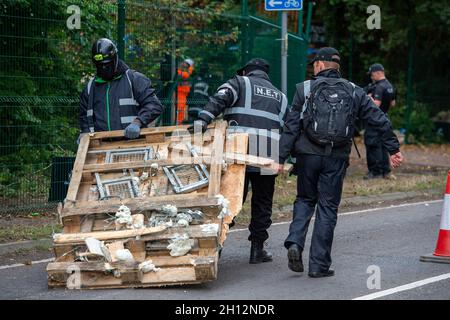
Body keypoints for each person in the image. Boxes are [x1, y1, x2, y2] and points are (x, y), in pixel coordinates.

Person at [277, 47, 403, 277]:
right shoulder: (354, 90)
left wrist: (279, 158)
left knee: (305, 199)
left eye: (314, 64)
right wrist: (393, 149)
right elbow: (379, 119)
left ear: (319, 66)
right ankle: (319, 266)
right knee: (327, 208)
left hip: (307, 156)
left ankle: (295, 242)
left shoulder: (304, 88)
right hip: (336, 158)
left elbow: (291, 126)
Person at [189, 58, 289, 264]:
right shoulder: (281, 96)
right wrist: (284, 157)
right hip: (267, 154)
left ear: (246, 71)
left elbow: (219, 99)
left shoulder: (239, 83)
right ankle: (257, 249)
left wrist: (203, 120)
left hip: (239, 151)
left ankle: (216, 247)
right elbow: (288, 127)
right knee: (263, 202)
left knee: (230, 199)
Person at [79, 38, 163, 140]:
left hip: (132, 146)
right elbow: (84, 117)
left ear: (115, 59)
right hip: (100, 148)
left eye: (107, 64)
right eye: (100, 65)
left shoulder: (133, 79)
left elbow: (154, 105)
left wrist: (138, 122)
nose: (104, 68)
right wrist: (84, 133)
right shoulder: (90, 88)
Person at [363, 63, 397, 179]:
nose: (371, 77)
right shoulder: (390, 86)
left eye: (372, 75)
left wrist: (367, 98)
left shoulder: (378, 87)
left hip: (374, 120)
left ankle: (375, 172)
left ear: (378, 73)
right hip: (384, 118)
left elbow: (376, 105)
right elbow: (393, 104)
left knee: (373, 145)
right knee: (383, 145)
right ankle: (385, 171)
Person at [176, 58, 194, 124]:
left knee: (180, 108)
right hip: (178, 92)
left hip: (182, 93)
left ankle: (179, 122)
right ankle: (177, 121)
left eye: (186, 64)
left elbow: (182, 74)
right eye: (184, 63)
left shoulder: (186, 73)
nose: (184, 64)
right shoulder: (182, 71)